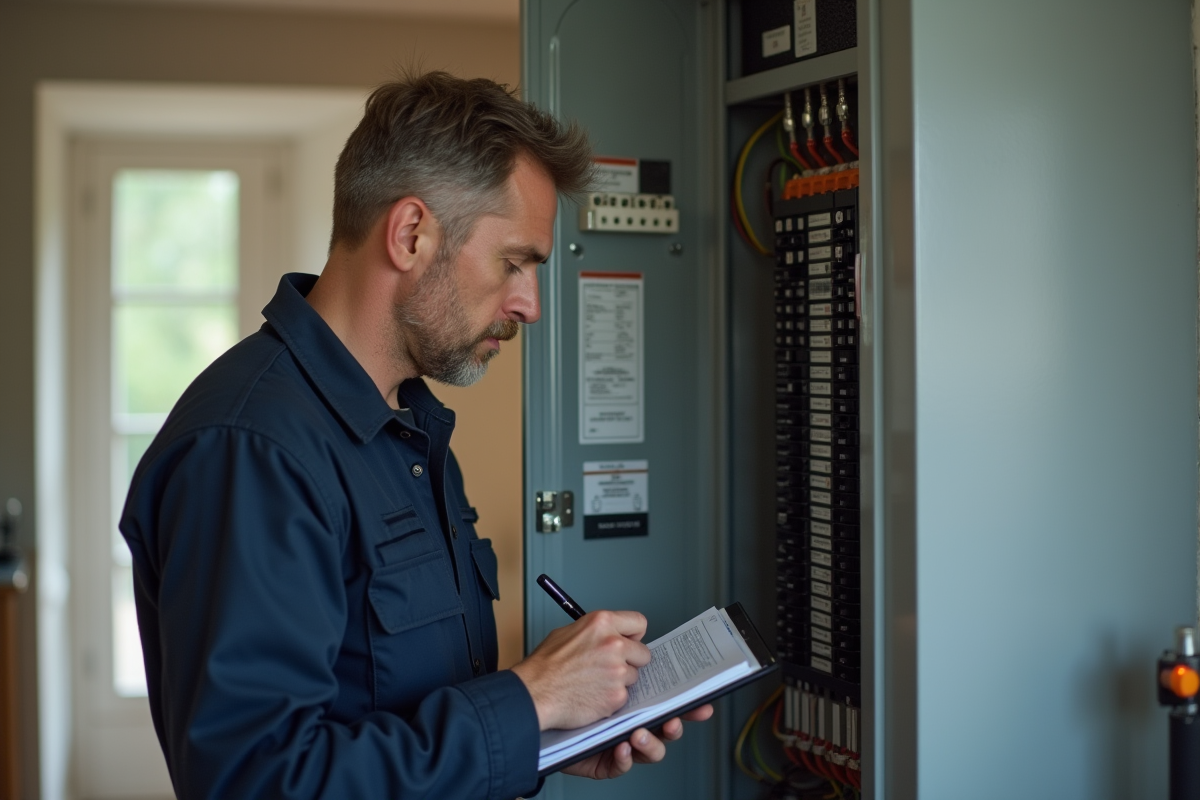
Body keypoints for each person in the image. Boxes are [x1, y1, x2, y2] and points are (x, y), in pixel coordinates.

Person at [119, 71, 711, 800]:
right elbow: (258, 781)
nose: (529, 305)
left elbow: (395, 708)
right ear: (411, 234)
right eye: (515, 262)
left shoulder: (408, 430)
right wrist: (526, 702)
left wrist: (547, 734)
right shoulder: (253, 449)